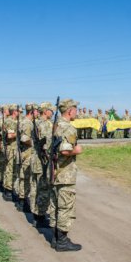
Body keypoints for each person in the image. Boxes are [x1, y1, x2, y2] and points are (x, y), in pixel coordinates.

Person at [49, 98, 83, 252]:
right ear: (70, 111)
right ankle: (62, 241)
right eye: (75, 109)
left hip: (56, 172)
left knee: (56, 206)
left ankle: (56, 238)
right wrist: (77, 150)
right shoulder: (68, 128)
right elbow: (64, 150)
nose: (77, 112)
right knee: (65, 207)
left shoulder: (56, 125)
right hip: (65, 173)